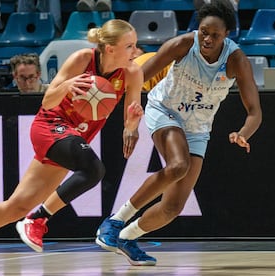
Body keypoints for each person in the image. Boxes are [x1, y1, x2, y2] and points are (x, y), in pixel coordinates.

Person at [0, 19, 144, 274]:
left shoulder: (132, 72)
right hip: (50, 125)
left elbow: (130, 118)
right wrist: (67, 85)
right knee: (93, 170)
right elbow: (48, 101)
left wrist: (133, 122)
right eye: (129, 46)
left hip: (72, 138)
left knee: (15, 206)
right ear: (110, 49)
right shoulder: (83, 59)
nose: (135, 51)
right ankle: (38, 219)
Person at [95, 0, 262, 266]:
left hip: (198, 127)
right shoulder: (183, 44)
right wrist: (130, 121)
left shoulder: (236, 60)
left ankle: (127, 237)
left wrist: (243, 133)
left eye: (214, 35)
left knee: (173, 208)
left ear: (227, 35)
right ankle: (115, 221)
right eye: (204, 31)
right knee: (178, 165)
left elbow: (255, 112)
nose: (207, 38)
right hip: (165, 109)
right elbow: (137, 75)